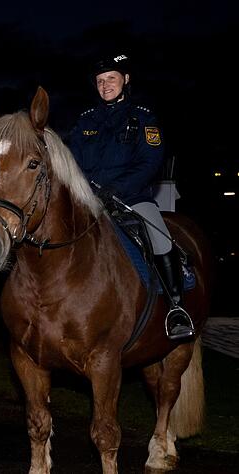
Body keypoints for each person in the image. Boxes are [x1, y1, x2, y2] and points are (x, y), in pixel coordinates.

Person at [67, 53, 195, 341]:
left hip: (132, 198)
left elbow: (151, 162)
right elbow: (71, 160)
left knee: (160, 237)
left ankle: (176, 308)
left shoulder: (143, 117)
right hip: (90, 201)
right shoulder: (86, 120)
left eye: (111, 78)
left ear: (125, 80)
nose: (105, 85)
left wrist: (116, 189)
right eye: (100, 81)